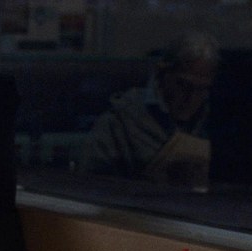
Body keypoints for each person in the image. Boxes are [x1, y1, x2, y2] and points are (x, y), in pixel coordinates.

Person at [77, 31, 221, 188]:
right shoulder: (119, 123)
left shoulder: (214, 121)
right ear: (161, 74)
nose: (191, 99)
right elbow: (90, 186)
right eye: (183, 85)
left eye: (201, 89)